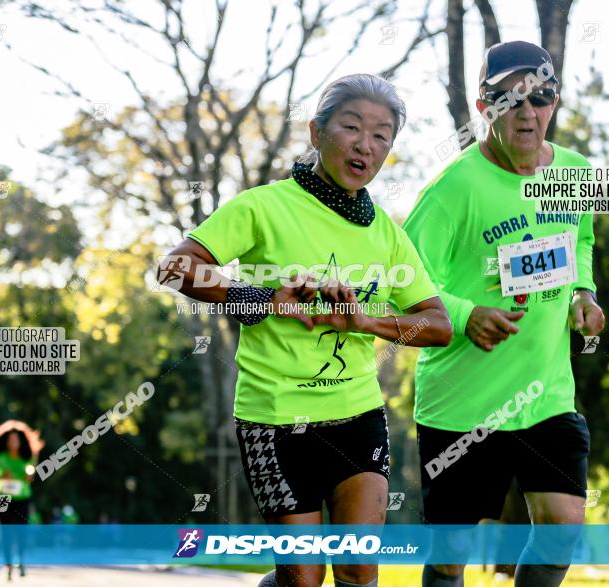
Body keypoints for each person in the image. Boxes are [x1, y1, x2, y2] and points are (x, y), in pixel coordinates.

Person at [161, 73, 452, 587]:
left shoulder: (386, 231)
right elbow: (175, 268)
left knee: (360, 567)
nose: (366, 144)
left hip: (357, 413)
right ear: (317, 133)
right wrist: (262, 300)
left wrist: (367, 321)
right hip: (274, 418)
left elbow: (437, 325)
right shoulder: (263, 206)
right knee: (303, 576)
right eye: (352, 127)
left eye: (382, 134)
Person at [403, 41, 605, 587]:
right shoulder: (452, 189)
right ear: (482, 106)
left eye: (541, 96)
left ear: (554, 102)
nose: (527, 111)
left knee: (563, 528)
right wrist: (467, 313)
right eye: (509, 98)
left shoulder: (575, 172)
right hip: (463, 405)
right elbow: (402, 283)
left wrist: (584, 293)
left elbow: (580, 240)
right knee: (450, 558)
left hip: (546, 393)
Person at [0, 421, 42, 580]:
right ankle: (8, 565)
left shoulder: (27, 458)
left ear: (21, 441)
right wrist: (2, 476)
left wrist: (30, 475)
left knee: (21, 531)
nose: (13, 443)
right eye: (10, 440)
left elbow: (30, 475)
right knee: (5, 532)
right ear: (5, 441)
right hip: (2, 497)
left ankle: (21, 561)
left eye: (16, 440)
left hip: (22, 497)